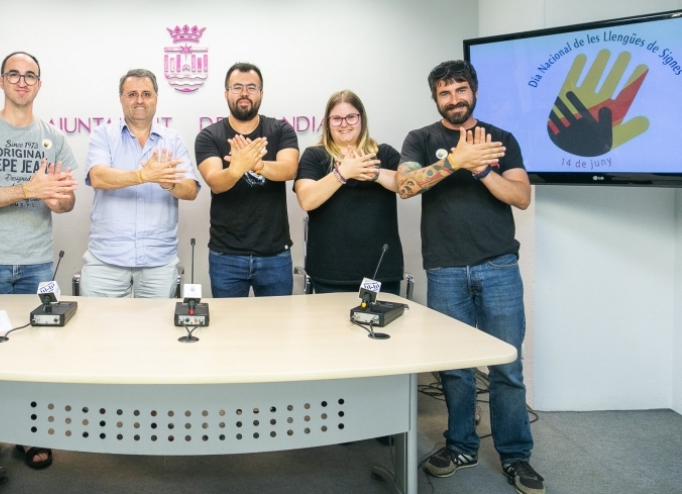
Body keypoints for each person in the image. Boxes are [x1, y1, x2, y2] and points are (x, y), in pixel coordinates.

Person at [397, 60, 544, 494]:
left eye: (460, 89)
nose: (454, 98)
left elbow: (520, 196)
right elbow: (405, 187)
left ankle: (516, 456)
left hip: (498, 265)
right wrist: (455, 161)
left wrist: (481, 170)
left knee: (506, 367)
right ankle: (460, 445)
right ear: (435, 99)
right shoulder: (421, 139)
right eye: (444, 93)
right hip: (444, 268)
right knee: (456, 370)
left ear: (473, 91)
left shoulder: (502, 139)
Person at [0, 51, 77, 471]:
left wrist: (59, 199)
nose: (22, 82)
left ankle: (31, 435)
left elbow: (66, 200)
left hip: (37, 264)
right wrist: (30, 187)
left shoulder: (54, 137)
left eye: (30, 76)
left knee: (37, 354)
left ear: (39, 84)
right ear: (1, 81)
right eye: (14, 75)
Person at [81, 69, 199, 298]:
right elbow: (98, 177)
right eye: (132, 94)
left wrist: (168, 184)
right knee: (98, 332)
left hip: (159, 261)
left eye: (146, 94)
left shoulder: (172, 139)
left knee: (157, 332)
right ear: (121, 99)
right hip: (106, 260)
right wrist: (145, 176)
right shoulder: (102, 135)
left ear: (155, 98)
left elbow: (191, 190)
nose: (139, 100)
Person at [194, 62, 299, 297]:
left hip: (275, 254)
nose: (244, 93)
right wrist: (236, 169)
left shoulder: (280, 130)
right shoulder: (209, 136)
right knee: (228, 331)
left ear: (261, 93)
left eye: (251, 87)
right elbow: (215, 182)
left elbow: (289, 169)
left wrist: (257, 164)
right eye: (237, 87)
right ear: (226, 94)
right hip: (226, 256)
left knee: (276, 329)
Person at [294, 90, 403, 295]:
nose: (344, 124)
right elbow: (306, 200)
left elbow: (407, 185)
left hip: (379, 273)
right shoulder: (314, 156)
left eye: (351, 117)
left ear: (361, 118)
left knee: (377, 324)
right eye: (336, 119)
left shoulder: (384, 153)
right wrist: (343, 173)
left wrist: (373, 173)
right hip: (330, 275)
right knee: (331, 327)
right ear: (327, 123)